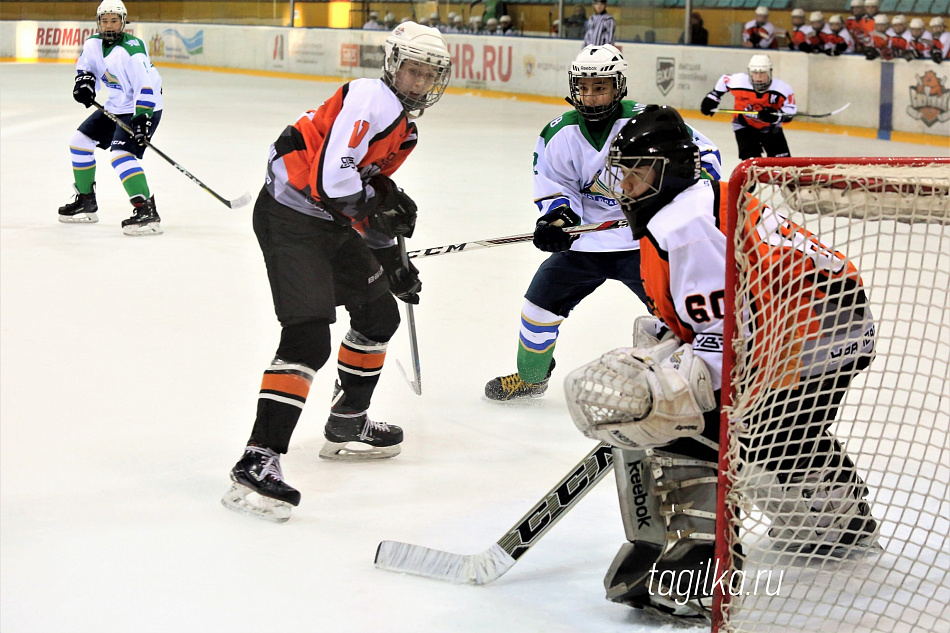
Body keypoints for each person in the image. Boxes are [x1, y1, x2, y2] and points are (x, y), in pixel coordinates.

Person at [562, 104, 878, 619]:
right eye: (623, 170)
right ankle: (838, 523)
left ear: (668, 169)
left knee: (694, 426)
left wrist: (671, 384)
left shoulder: (685, 224)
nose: (625, 183)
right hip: (816, 322)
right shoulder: (687, 206)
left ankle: (705, 567)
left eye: (637, 169)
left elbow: (727, 332)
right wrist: (667, 341)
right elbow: (711, 314)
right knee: (782, 434)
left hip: (816, 331)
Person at [220, 22, 452, 523]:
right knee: (307, 340)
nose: (419, 83)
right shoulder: (372, 99)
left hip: (325, 219)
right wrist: (378, 201)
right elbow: (332, 182)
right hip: (290, 217)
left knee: (378, 316)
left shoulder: (404, 131)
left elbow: (358, 202)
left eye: (429, 76)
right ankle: (258, 458)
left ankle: (347, 422)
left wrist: (392, 259)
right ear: (393, 66)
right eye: (413, 71)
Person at [484, 45, 722, 401]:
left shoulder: (647, 122)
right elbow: (557, 186)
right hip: (587, 244)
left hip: (642, 242)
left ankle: (696, 384)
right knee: (537, 307)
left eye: (601, 87)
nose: (591, 96)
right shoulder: (559, 133)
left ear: (619, 86)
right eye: (584, 87)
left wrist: (673, 201)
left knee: (677, 318)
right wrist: (559, 220)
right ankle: (532, 377)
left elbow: (704, 158)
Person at [57, 0, 164, 236]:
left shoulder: (132, 51)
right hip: (116, 105)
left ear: (123, 22)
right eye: (104, 21)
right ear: (98, 22)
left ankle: (147, 210)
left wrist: (143, 118)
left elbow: (145, 88)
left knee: (120, 155)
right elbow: (87, 69)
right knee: (79, 141)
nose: (109, 25)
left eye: (114, 21)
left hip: (143, 105)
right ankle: (86, 201)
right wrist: (84, 83)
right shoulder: (93, 44)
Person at [700, 54, 796, 160]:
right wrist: (713, 96)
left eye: (762, 73)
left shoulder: (782, 89)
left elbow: (790, 112)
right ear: (750, 72)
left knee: (783, 164)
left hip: (771, 128)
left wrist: (775, 116)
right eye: (755, 73)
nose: (758, 77)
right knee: (751, 164)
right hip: (744, 125)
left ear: (770, 72)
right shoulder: (739, 81)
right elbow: (724, 80)